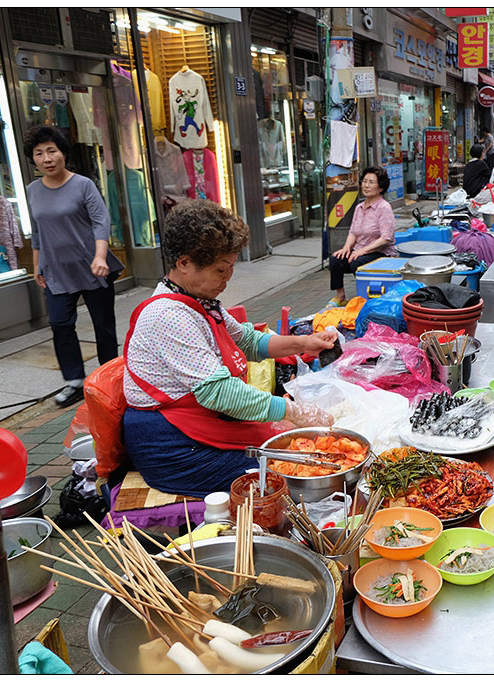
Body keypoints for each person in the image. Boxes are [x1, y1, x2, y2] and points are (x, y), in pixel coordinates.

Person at [123, 200, 337, 497]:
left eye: (231, 268)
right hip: (173, 445)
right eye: (221, 270)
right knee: (287, 473)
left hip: (204, 424)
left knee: (300, 449)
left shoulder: (201, 301)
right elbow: (219, 392)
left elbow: (249, 342)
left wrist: (305, 343)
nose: (227, 279)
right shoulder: (167, 316)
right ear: (183, 263)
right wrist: (293, 410)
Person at [24, 125, 125, 408]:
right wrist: (37, 266)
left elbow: (100, 222)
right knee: (59, 324)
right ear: (33, 159)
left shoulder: (83, 185)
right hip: (55, 270)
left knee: (103, 326)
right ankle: (75, 382)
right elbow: (37, 232)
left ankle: (110, 379)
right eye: (39, 153)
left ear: (63, 153)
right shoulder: (33, 190)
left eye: (51, 151)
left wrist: (100, 256)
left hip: (92, 267)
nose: (46, 158)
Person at [329, 166, 398, 306]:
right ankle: (341, 296)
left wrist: (362, 251)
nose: (366, 186)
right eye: (365, 181)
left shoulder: (384, 208)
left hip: (380, 253)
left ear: (381, 187)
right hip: (360, 251)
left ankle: (365, 298)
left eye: (371, 182)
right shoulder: (359, 207)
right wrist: (346, 248)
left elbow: (386, 238)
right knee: (336, 259)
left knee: (357, 263)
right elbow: (353, 232)